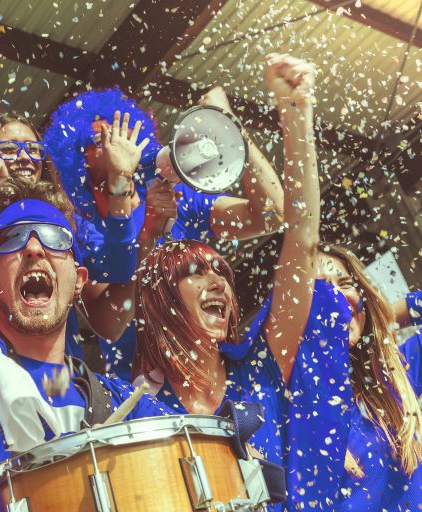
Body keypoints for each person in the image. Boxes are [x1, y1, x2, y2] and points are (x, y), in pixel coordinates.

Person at [133, 54, 347, 510]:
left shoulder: (259, 369)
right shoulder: (140, 409)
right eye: (194, 271)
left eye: (221, 272)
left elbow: (300, 233)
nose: (217, 282)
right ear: (162, 299)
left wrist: (295, 113)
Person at [0, 159, 177, 511]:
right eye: (11, 239)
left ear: (80, 280)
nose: (34, 249)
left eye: (54, 237)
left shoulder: (124, 400)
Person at [43, 87, 285, 379]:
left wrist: (232, 125)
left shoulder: (179, 198)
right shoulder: (76, 230)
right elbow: (108, 324)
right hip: (146, 391)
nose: (117, 144)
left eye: (124, 133)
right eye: (100, 139)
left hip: (210, 371)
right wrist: (147, 235)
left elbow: (273, 215)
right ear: (78, 158)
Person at [0, 113, 174, 354]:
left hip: (61, 375)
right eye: (8, 148)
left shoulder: (66, 218)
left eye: (34, 148)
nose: (24, 157)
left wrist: (120, 179)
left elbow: (119, 268)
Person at [300, 245, 422, 510]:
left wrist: (380, 315)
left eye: (345, 284)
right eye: (319, 289)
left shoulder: (394, 375)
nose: (337, 297)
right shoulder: (292, 420)